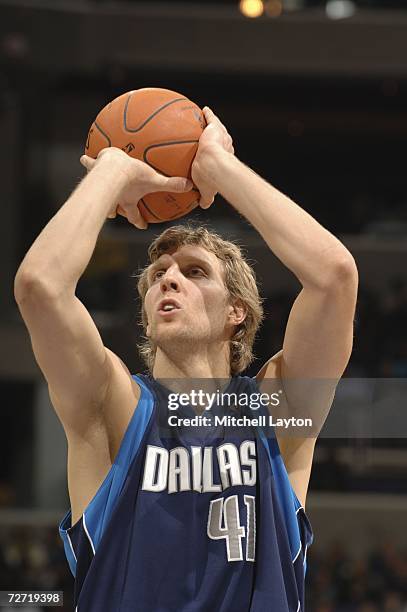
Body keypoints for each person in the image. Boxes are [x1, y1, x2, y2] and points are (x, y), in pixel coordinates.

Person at [14, 106, 358, 611]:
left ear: (236, 310)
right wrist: (114, 169)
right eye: (156, 275)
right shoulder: (114, 405)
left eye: (194, 272)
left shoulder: (276, 411)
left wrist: (219, 168)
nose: (167, 279)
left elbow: (334, 277)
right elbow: (40, 287)